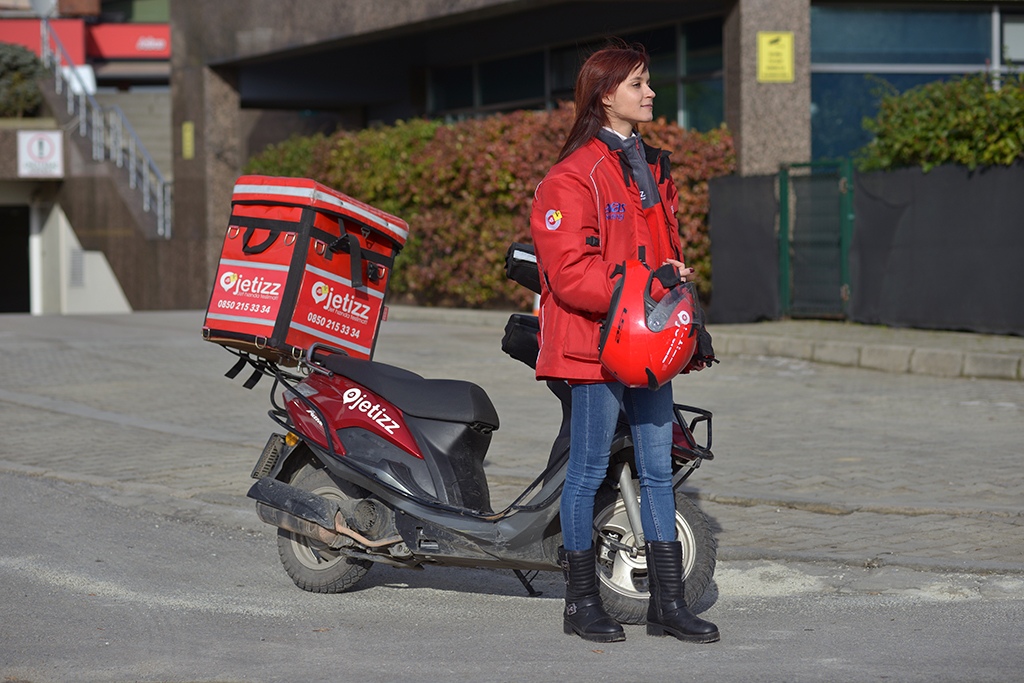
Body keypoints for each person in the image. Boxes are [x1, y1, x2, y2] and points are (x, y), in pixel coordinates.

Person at [529, 42, 720, 644]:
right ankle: (580, 602)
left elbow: (661, 254)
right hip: (594, 346)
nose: (651, 92)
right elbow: (569, 274)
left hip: (649, 346)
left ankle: (667, 604)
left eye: (648, 81)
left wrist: (674, 281)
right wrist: (645, 285)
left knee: (659, 471)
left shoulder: (649, 166)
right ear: (606, 95)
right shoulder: (572, 176)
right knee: (586, 474)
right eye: (639, 83)